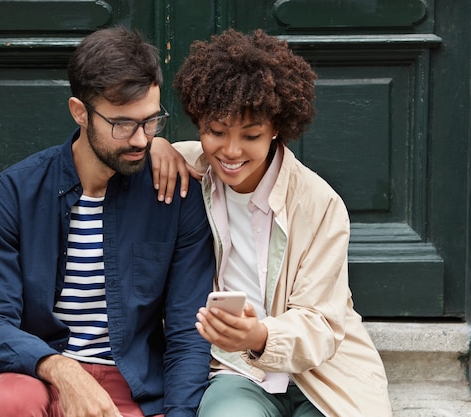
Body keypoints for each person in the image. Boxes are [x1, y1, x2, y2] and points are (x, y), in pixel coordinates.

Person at [0, 26, 215, 417]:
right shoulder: (12, 194)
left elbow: (187, 332)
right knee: (13, 400)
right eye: (122, 124)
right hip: (42, 374)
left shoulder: (174, 197)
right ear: (80, 112)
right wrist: (63, 370)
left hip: (134, 382)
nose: (140, 140)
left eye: (151, 122)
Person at [151, 28, 392, 417]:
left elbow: (321, 321)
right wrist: (154, 145)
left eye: (250, 135)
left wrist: (260, 336)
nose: (230, 151)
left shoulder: (319, 202)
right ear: (198, 123)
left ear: (276, 128)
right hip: (234, 372)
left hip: (322, 375)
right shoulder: (186, 168)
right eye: (215, 132)